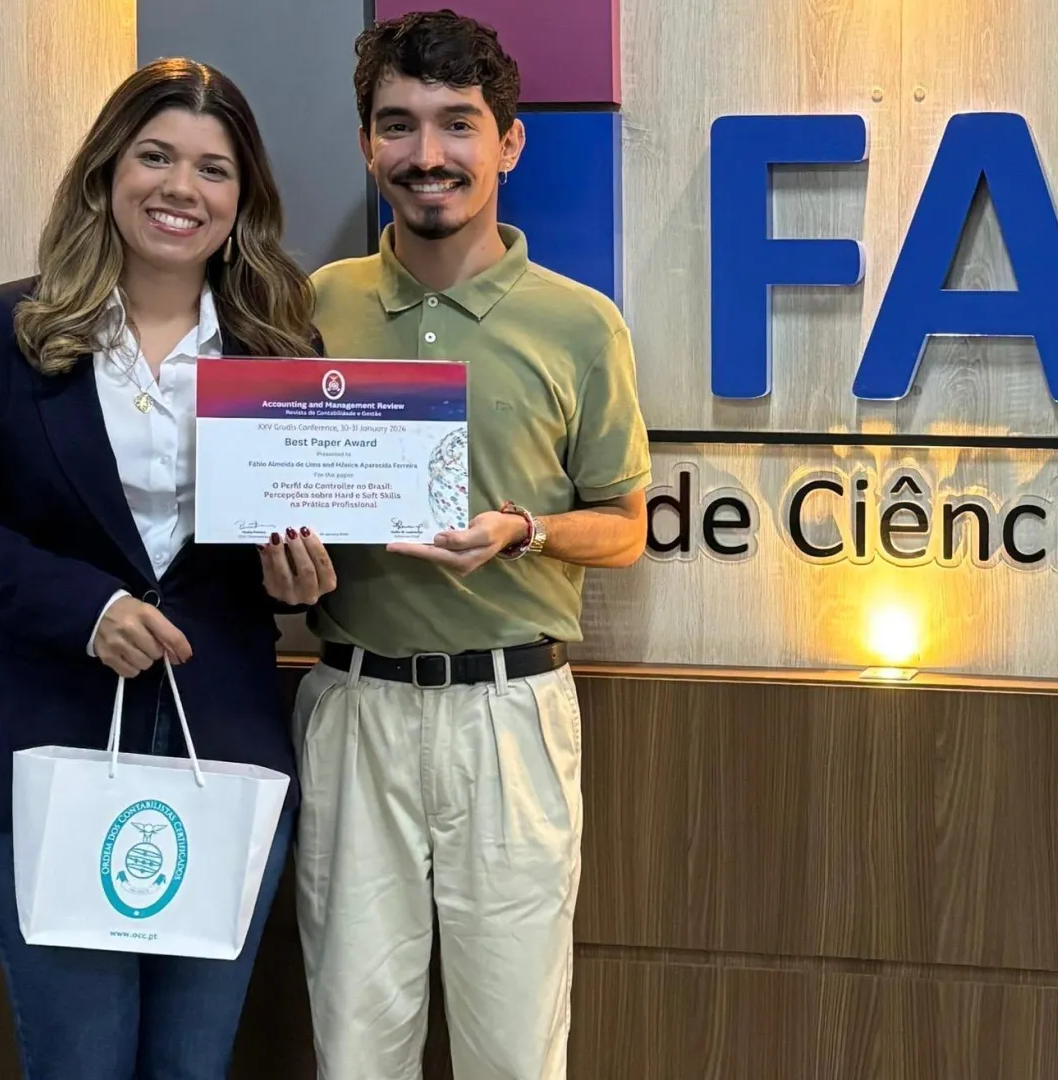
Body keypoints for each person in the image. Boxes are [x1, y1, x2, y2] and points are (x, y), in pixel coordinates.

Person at [0, 58, 337, 1080]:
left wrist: (294, 580)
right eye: (156, 156)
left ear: (243, 201)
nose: (183, 188)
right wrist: (83, 604)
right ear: (107, 171)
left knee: (192, 1068)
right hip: (44, 749)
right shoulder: (3, 331)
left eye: (214, 170)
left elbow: (275, 547)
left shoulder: (279, 350)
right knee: (79, 1064)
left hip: (221, 757)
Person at [296, 11, 650, 1078]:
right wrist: (282, 563)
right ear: (367, 144)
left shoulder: (582, 324)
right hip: (354, 705)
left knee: (514, 1051)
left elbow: (627, 528)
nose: (429, 155)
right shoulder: (314, 306)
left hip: (512, 713)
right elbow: (277, 501)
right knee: (356, 1047)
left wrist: (524, 532)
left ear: (509, 143)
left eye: (458, 124)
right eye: (398, 125)